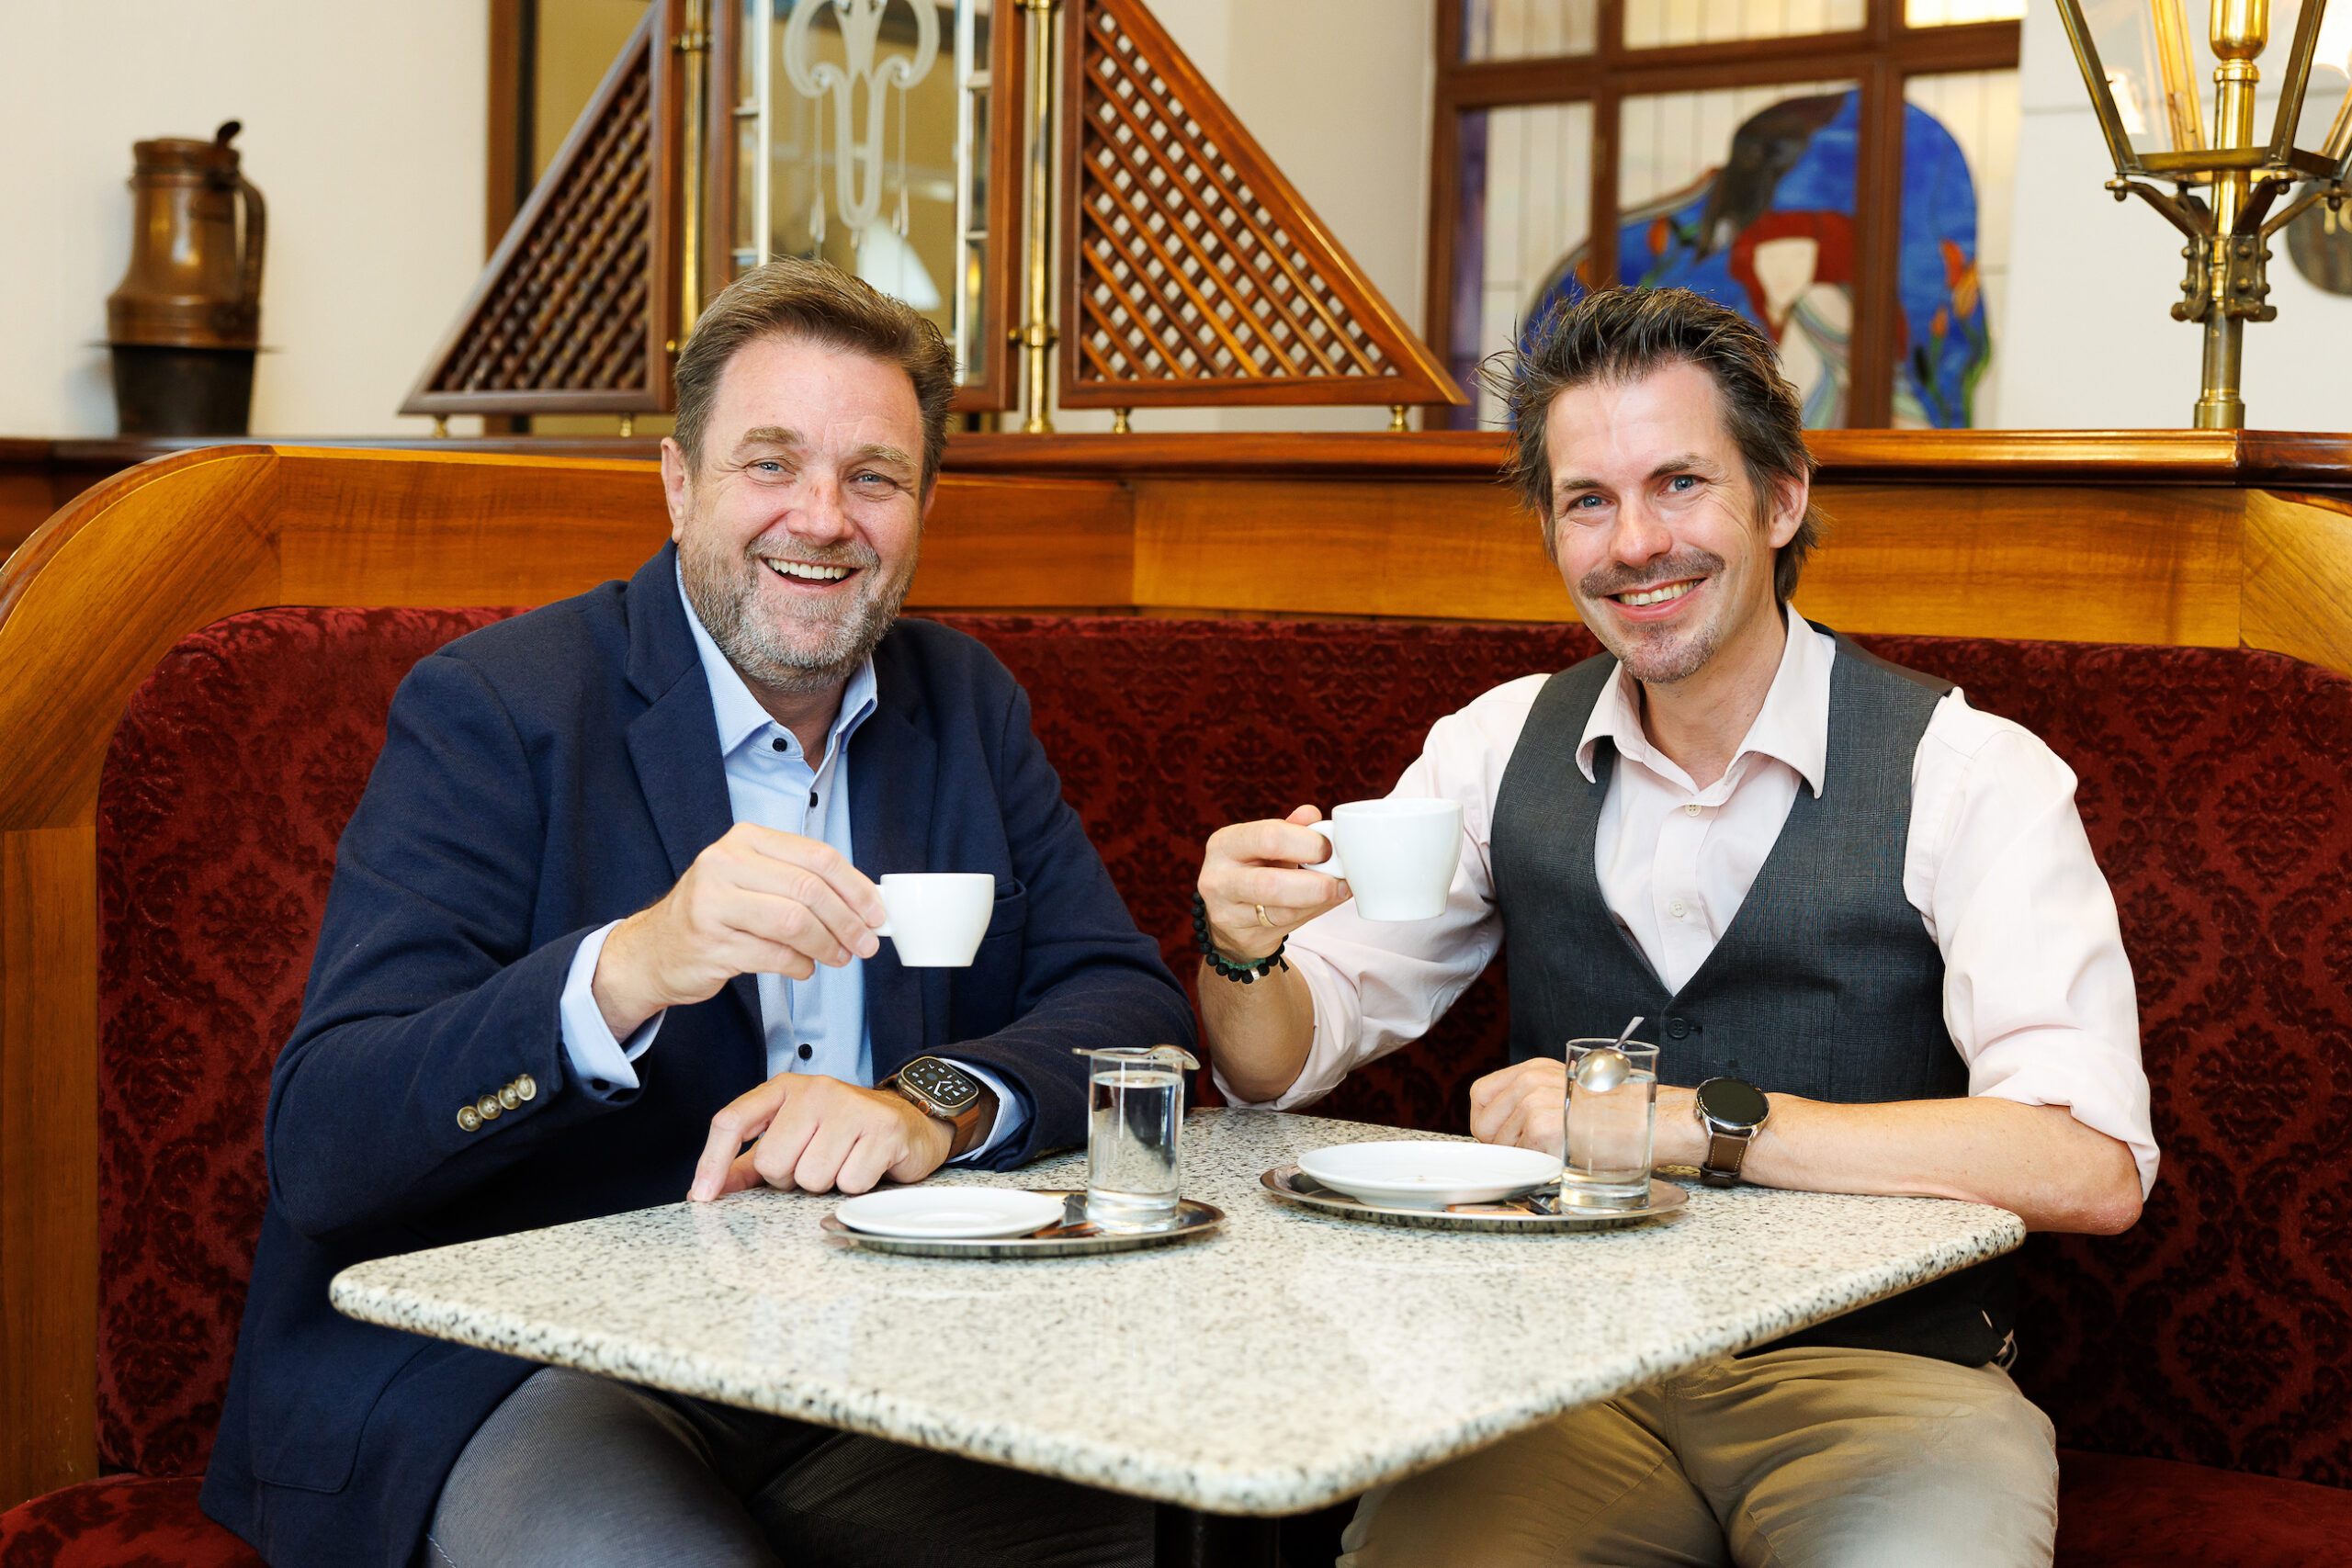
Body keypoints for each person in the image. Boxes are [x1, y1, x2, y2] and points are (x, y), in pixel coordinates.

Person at [200, 259, 1193, 1568]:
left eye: (874, 477)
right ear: (679, 484)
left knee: (1176, 1520)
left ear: (922, 507)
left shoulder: (965, 703)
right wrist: (630, 966)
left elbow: (1128, 1008)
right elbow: (327, 1141)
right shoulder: (496, 709)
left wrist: (924, 1106)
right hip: (527, 1368)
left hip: (876, 1362)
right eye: (770, 464)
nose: (822, 519)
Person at [1193, 287, 2154, 1568]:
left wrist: (1684, 1123)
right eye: (1588, 501)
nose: (1635, 543)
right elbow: (1273, 1065)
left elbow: (2089, 1165)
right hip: (1567, 1372)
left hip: (1882, 1383)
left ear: (1781, 498)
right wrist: (1241, 950)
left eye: (1680, 484)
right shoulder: (1494, 747)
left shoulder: (1970, 770)